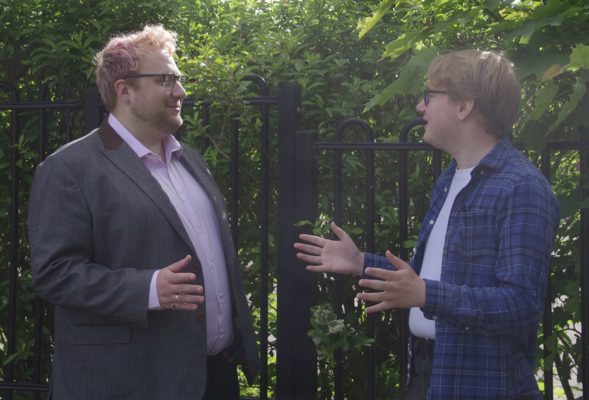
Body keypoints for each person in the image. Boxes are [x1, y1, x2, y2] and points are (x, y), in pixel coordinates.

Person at [295, 50, 560, 399]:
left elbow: (521, 305)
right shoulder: (450, 179)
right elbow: (426, 280)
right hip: (427, 371)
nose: (420, 108)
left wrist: (426, 295)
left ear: (463, 107)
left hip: (482, 384)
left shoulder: (521, 186)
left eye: (428, 97)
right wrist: (361, 262)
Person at [28, 24, 259, 400]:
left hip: (214, 375)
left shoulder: (191, 161)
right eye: (166, 80)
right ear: (125, 91)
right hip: (131, 381)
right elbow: (54, 273)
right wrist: (147, 289)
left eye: (180, 79)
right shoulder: (69, 168)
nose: (180, 92)